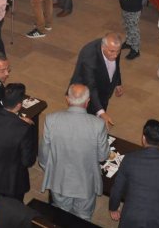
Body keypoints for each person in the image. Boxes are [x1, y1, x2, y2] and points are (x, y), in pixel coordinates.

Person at [39, 84, 110, 221]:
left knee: (60, 215)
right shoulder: (98, 124)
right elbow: (103, 156)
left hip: (59, 181)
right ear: (87, 101)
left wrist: (50, 170)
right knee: (83, 218)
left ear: (67, 99)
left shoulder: (51, 119)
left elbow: (44, 153)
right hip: (85, 184)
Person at [108, 119, 159, 227]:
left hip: (131, 218)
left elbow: (117, 189)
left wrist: (113, 208)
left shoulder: (129, 159)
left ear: (143, 138)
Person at [0, 82, 36, 201]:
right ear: (19, 105)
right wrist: (25, 125)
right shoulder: (24, 129)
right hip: (10, 184)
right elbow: (27, 161)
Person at [70, 33, 124, 127]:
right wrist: (101, 112)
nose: (115, 55)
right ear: (103, 47)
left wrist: (118, 83)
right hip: (84, 93)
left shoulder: (114, 47)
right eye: (112, 51)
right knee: (86, 119)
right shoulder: (89, 56)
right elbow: (91, 86)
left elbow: (116, 65)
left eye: (118, 51)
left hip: (103, 88)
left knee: (100, 110)